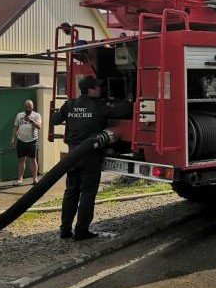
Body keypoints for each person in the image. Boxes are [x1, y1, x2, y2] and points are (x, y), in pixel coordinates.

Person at [52, 75, 131, 240]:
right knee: (87, 193)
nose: (100, 89)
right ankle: (81, 231)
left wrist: (65, 112)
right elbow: (123, 110)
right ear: (90, 90)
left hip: (73, 155)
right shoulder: (100, 106)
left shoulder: (70, 104)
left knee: (71, 192)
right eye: (98, 87)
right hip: (91, 157)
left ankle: (65, 230)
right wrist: (129, 98)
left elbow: (55, 120)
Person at [10, 99, 42, 185]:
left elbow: (39, 126)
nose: (28, 109)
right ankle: (20, 179)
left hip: (32, 141)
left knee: (33, 159)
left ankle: (35, 179)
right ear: (24, 107)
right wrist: (13, 138)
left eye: (29, 107)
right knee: (21, 160)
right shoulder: (19, 115)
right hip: (21, 140)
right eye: (26, 107)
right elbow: (15, 127)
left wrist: (31, 120)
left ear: (32, 107)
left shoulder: (36, 115)